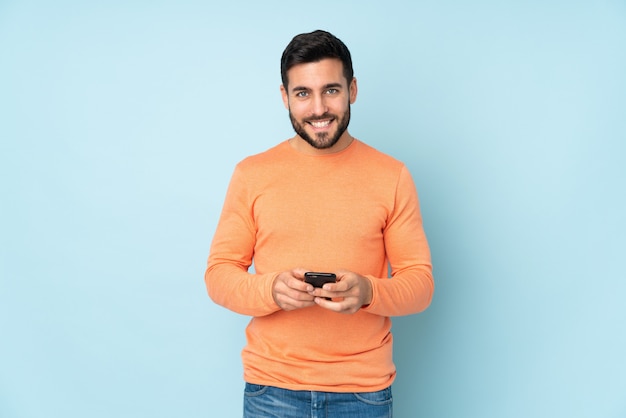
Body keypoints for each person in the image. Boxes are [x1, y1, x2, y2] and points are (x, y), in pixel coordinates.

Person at [205, 29, 434, 418]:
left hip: (363, 394)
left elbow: (420, 284)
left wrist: (367, 292)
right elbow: (219, 275)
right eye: (302, 93)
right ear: (285, 97)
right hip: (272, 390)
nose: (318, 109)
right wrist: (270, 290)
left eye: (331, 90)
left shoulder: (391, 175)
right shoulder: (251, 174)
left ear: (352, 90)